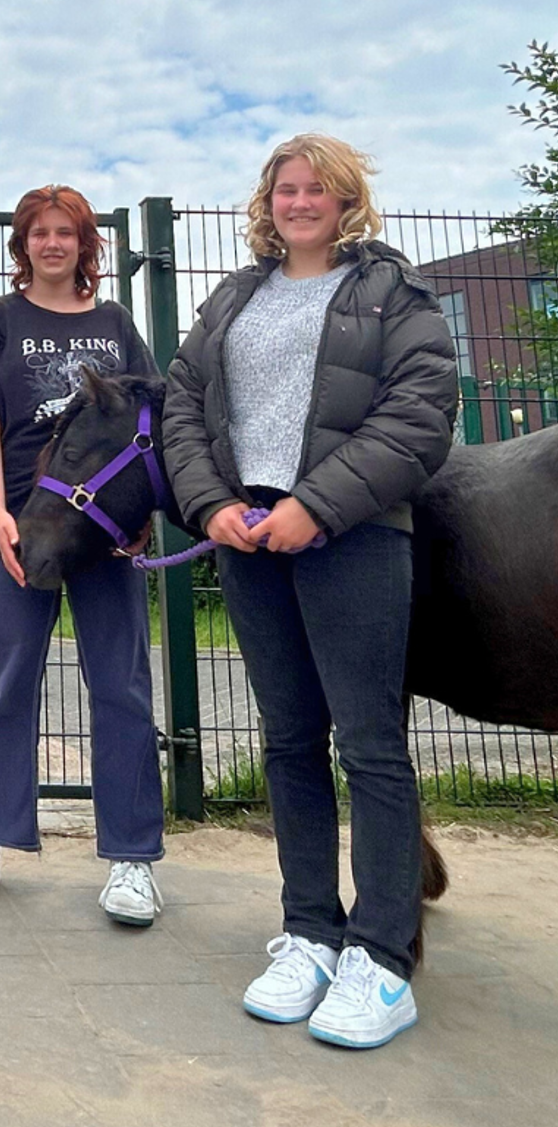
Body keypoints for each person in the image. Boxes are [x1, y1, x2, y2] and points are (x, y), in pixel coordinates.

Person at [163, 136, 458, 1049]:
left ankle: (382, 958)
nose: (299, 202)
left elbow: (420, 412)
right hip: (249, 540)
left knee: (370, 747)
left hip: (354, 537)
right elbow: (182, 407)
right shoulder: (234, 297)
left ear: (346, 202)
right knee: (289, 742)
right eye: (285, 189)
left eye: (317, 189)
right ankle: (309, 933)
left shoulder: (393, 294)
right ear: (268, 201)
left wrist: (316, 507)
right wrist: (210, 506)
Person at [0, 185, 166, 925]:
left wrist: (143, 519)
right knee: (5, 685)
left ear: (86, 245)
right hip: (20, 528)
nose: (53, 244)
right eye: (40, 233)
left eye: (67, 232)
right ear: (22, 245)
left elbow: (149, 425)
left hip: (104, 535)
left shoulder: (115, 323)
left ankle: (132, 858)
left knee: (122, 688)